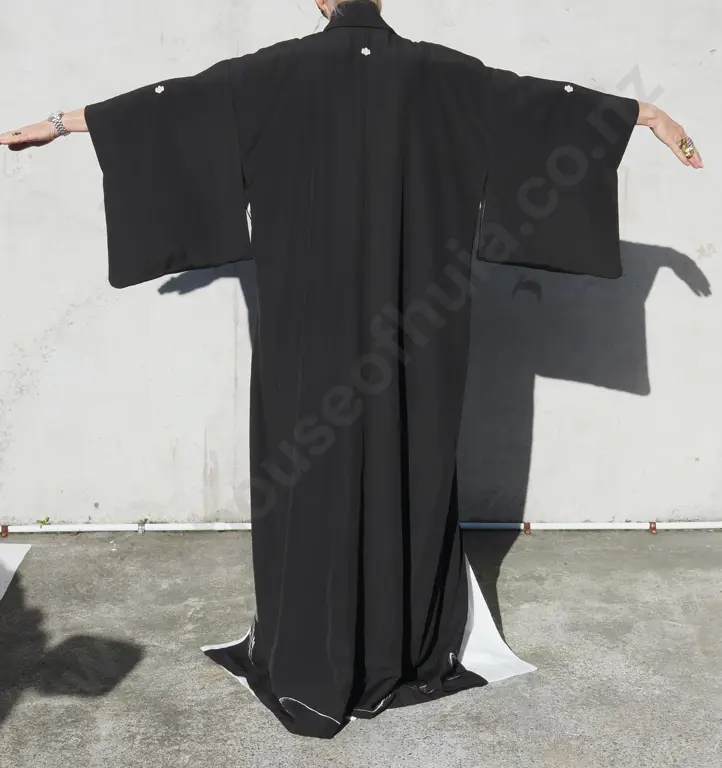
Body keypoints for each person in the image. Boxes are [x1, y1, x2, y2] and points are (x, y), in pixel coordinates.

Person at [0, 0, 702, 741]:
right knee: (409, 452)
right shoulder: (445, 74)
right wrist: (644, 114)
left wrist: (59, 123)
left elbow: (171, 108)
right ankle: (402, 647)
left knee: (311, 463)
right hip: (419, 321)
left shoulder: (273, 72)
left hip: (310, 328)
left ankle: (309, 649)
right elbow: (537, 106)